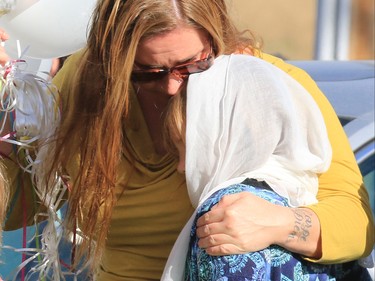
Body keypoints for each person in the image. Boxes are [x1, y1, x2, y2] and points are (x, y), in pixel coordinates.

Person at [0, 0, 373, 280]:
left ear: (216, 36)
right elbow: (26, 205)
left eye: (192, 66)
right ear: (115, 60)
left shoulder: (269, 89)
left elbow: (356, 222)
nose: (172, 85)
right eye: (148, 73)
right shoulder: (88, 86)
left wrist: (282, 224)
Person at [162, 54, 369, 280]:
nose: (182, 167)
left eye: (187, 148)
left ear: (222, 139)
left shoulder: (228, 215)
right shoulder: (305, 192)